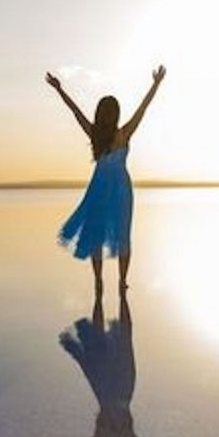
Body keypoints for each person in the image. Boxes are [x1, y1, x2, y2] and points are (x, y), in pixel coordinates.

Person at [45, 65, 166, 304]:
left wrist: (59, 89)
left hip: (101, 188)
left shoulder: (95, 134)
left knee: (96, 235)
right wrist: (156, 84)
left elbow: (75, 111)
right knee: (122, 236)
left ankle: (99, 280)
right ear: (115, 114)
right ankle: (121, 281)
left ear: (100, 114)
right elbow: (143, 108)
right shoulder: (124, 134)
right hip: (120, 188)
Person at [54, 298, 171, 437]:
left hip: (110, 389)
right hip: (121, 385)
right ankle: (116, 292)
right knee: (118, 342)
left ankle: (101, 292)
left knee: (100, 347)